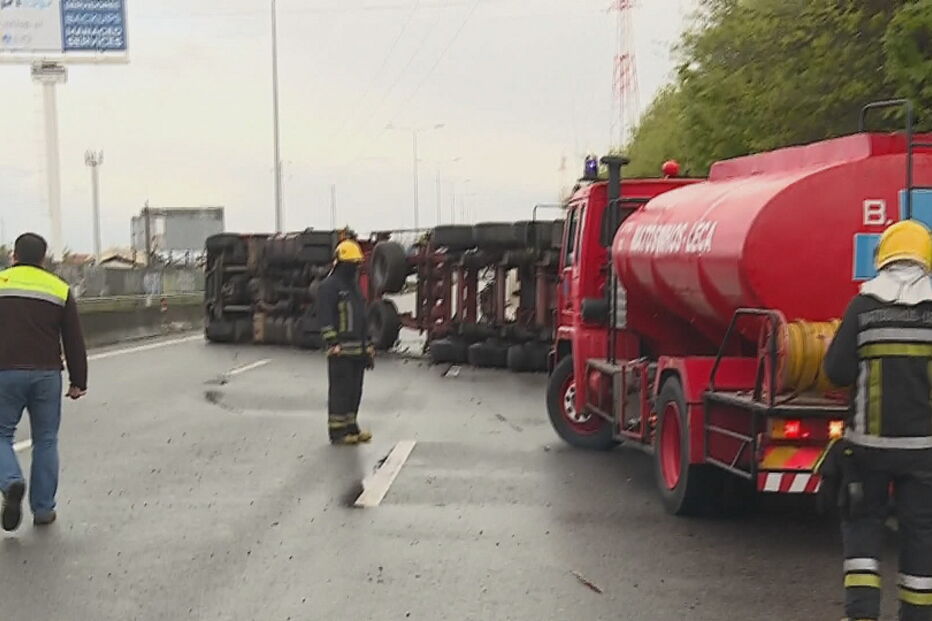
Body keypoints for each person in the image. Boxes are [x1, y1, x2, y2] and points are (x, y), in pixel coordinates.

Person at [824, 219, 932, 621]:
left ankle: (863, 615)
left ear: (883, 256)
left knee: (862, 529)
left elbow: (836, 370)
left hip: (866, 450)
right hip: (925, 453)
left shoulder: (863, 307)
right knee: (921, 536)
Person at [0, 233, 87, 531]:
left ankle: (11, 481)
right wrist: (78, 380)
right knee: (46, 440)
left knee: (0, 435)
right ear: (43, 258)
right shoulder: (59, 288)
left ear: (14, 256)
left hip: (4, 372)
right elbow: (73, 339)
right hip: (47, 374)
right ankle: (43, 509)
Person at [318, 239, 374, 446]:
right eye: (352, 263)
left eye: (357, 263)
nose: (355, 268)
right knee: (340, 392)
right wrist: (332, 343)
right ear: (341, 263)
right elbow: (325, 318)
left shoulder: (353, 288)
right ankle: (337, 432)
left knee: (354, 391)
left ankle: (351, 427)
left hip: (357, 350)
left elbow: (361, 317)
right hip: (340, 351)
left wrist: (367, 345)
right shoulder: (329, 287)